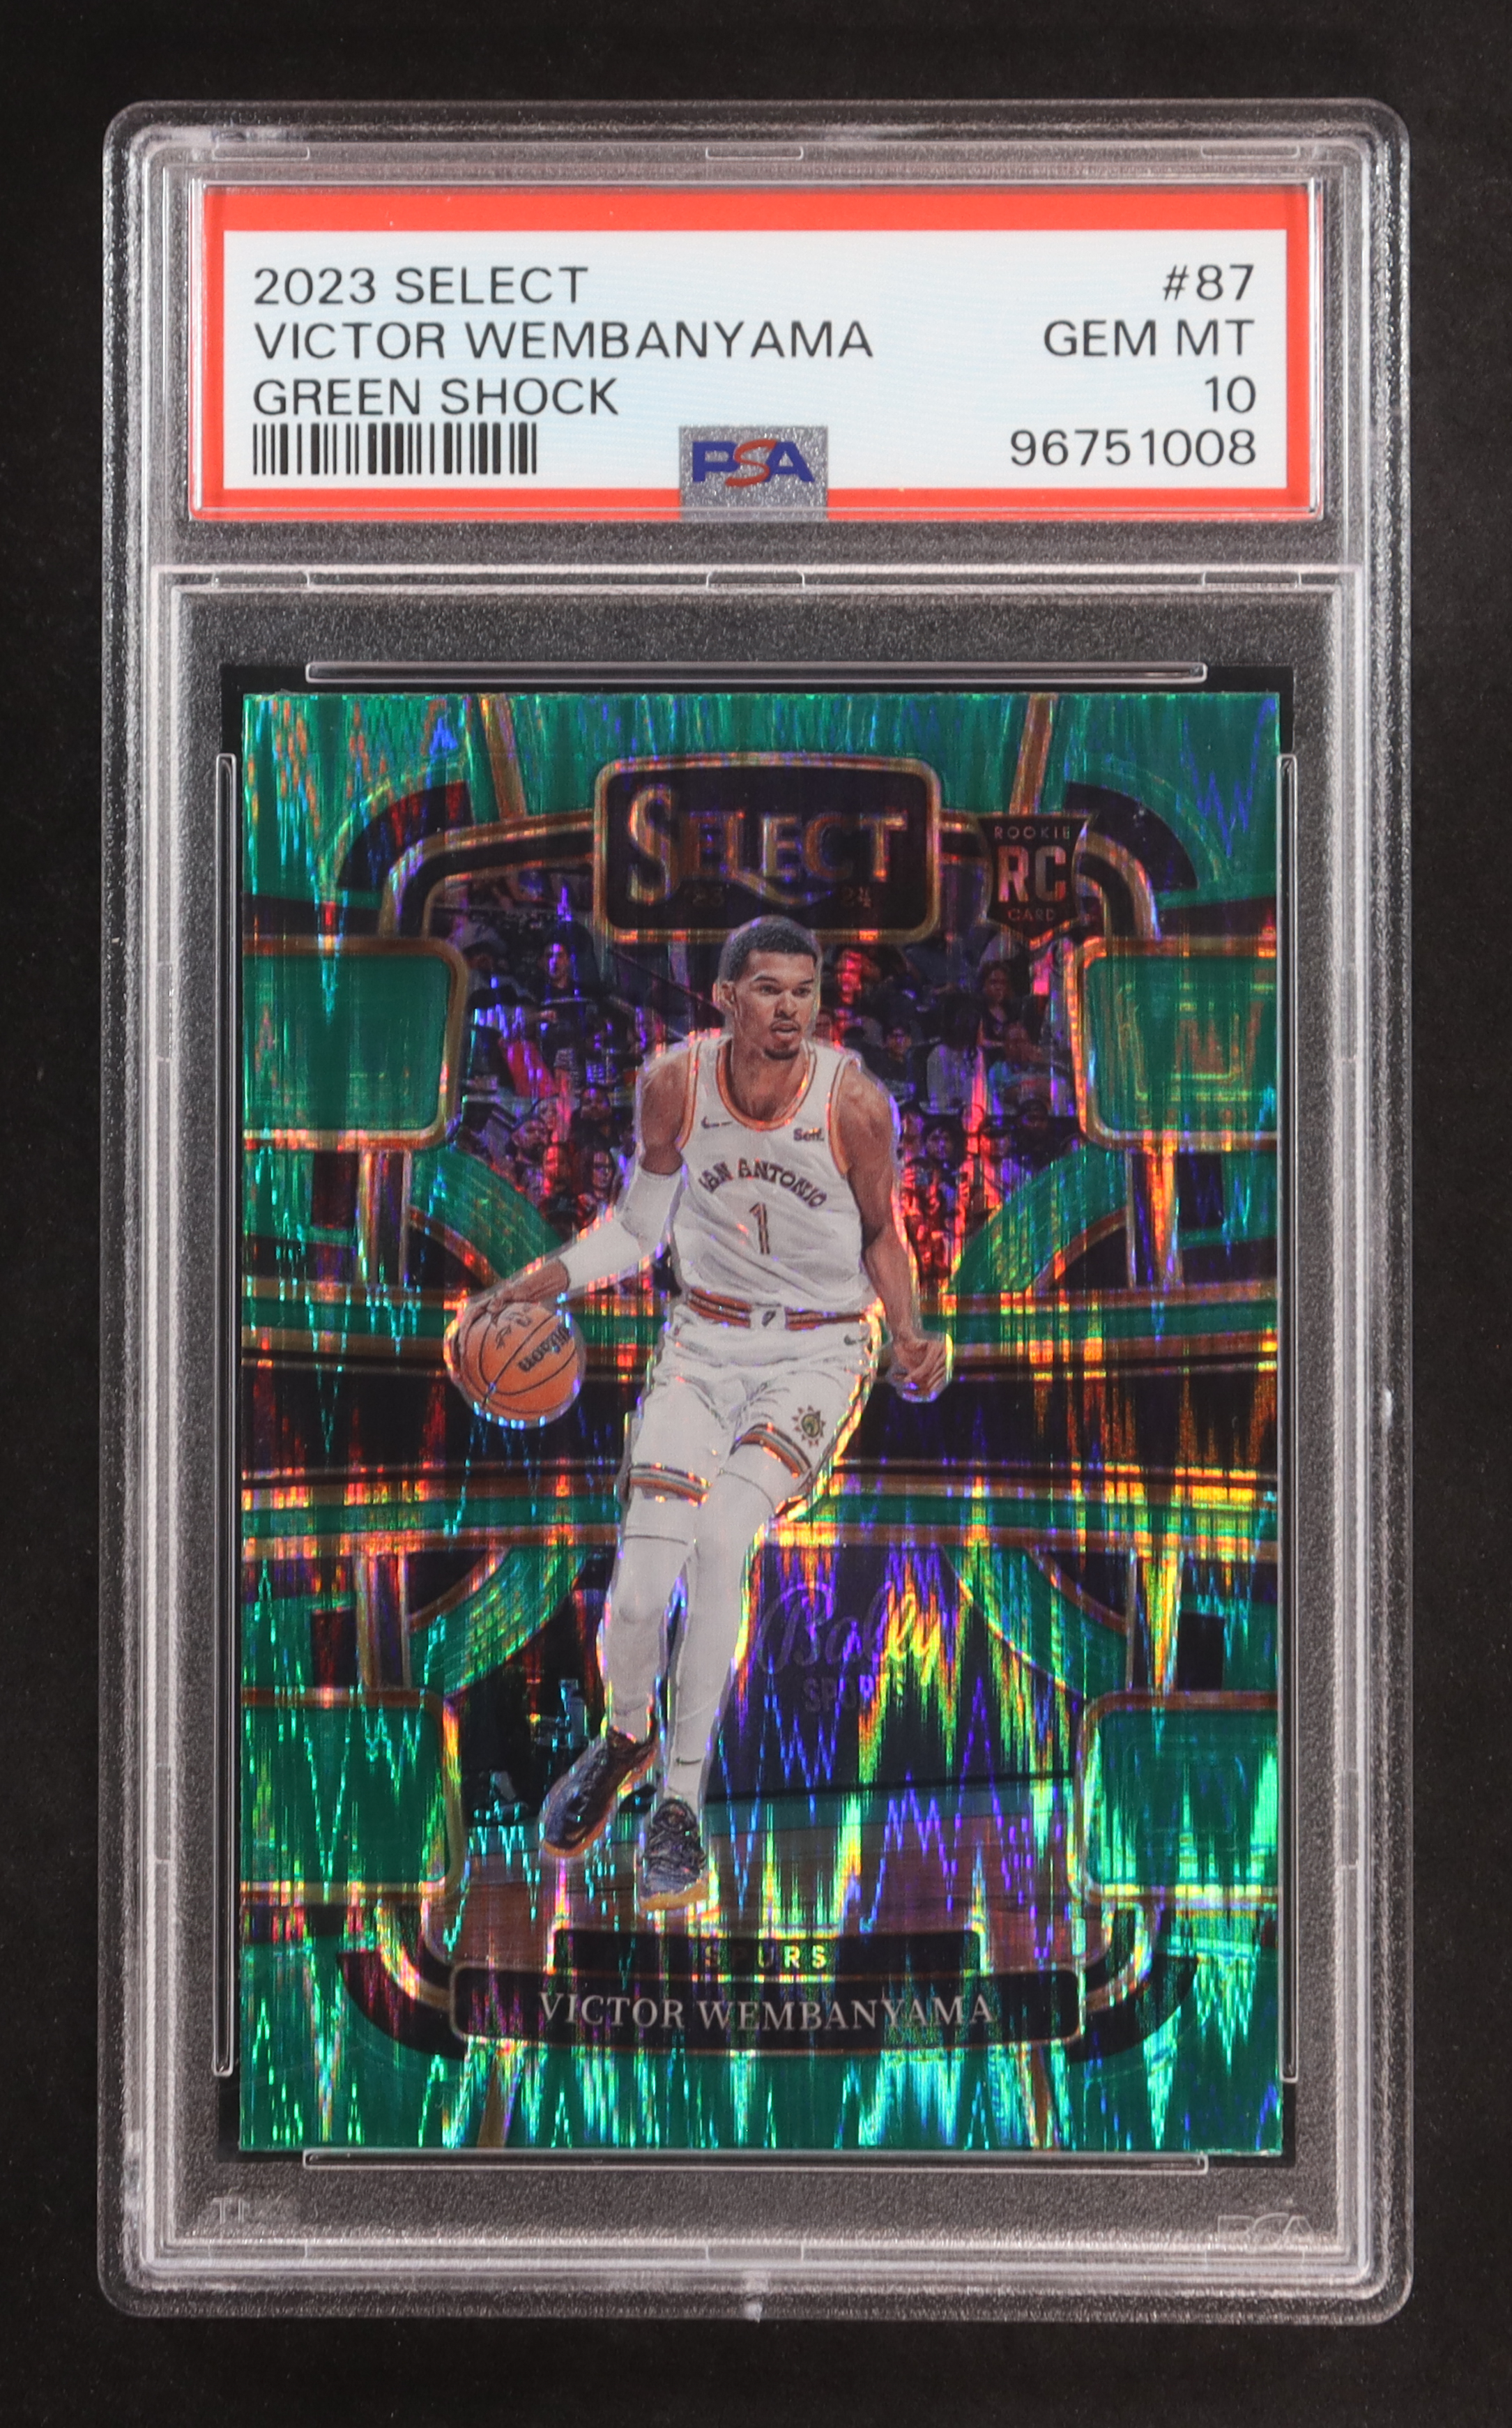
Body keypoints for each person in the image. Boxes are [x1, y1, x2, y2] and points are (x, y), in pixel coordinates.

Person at [461, 915, 950, 1912]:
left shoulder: (852, 1104)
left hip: (817, 1348)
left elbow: (882, 1234)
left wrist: (909, 1333)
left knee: (724, 1536)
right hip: (701, 1343)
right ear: (726, 998)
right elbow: (637, 1229)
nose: (789, 1008)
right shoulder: (675, 1086)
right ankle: (625, 1735)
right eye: (768, 989)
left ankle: (677, 1809)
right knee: (641, 1589)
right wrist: (529, 1286)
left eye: (804, 991)